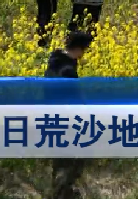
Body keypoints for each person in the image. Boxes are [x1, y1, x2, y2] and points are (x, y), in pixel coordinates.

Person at [48, 31, 93, 199]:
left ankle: (60, 191)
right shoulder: (67, 70)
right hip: (65, 118)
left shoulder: (55, 60)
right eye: (84, 50)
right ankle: (62, 193)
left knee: (60, 158)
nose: (84, 54)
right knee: (70, 159)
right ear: (78, 48)